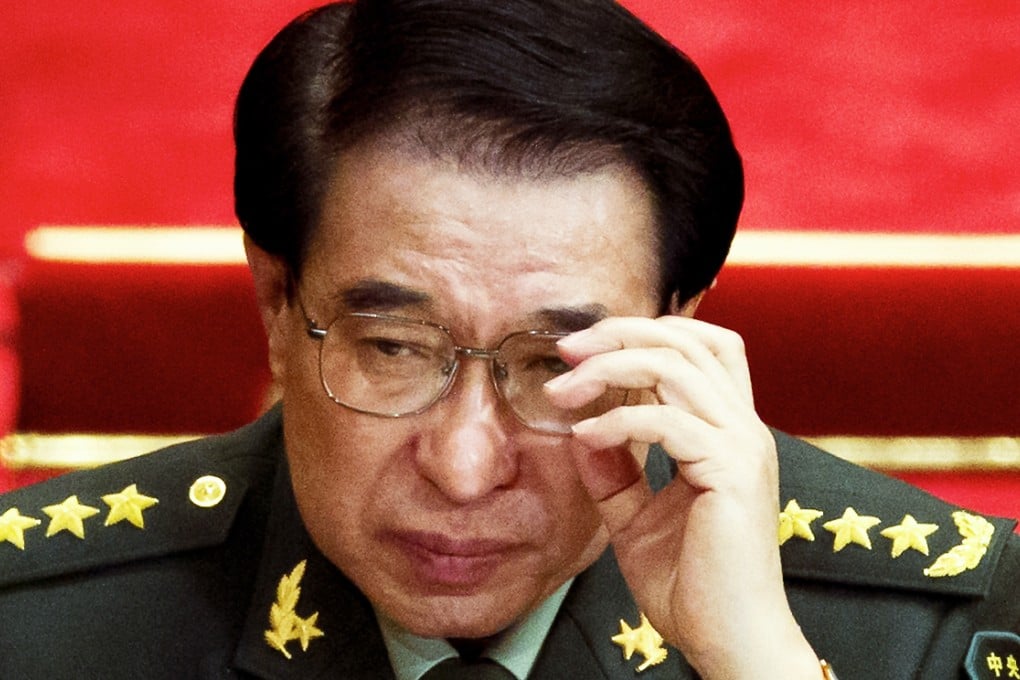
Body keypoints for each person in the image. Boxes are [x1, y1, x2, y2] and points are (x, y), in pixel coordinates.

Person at [0, 1, 1016, 678]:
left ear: (679, 332)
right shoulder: (37, 626)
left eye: (553, 366)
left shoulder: (928, 631)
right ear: (277, 302)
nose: (463, 465)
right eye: (395, 347)